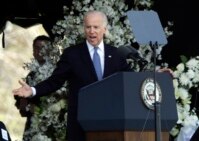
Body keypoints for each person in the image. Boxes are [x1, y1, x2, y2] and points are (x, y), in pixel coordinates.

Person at [13, 10, 132, 141]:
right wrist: (32, 90)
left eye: (96, 27)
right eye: (88, 27)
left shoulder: (116, 54)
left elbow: (130, 80)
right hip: (80, 126)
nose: (91, 31)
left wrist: (154, 75)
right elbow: (55, 81)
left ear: (104, 29)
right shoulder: (72, 54)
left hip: (110, 125)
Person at [14, 35, 51, 135]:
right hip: (32, 125)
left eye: (42, 48)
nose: (39, 51)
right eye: (36, 48)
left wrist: (38, 110)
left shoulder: (56, 73)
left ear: (50, 50)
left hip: (49, 126)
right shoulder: (31, 74)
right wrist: (23, 104)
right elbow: (24, 108)